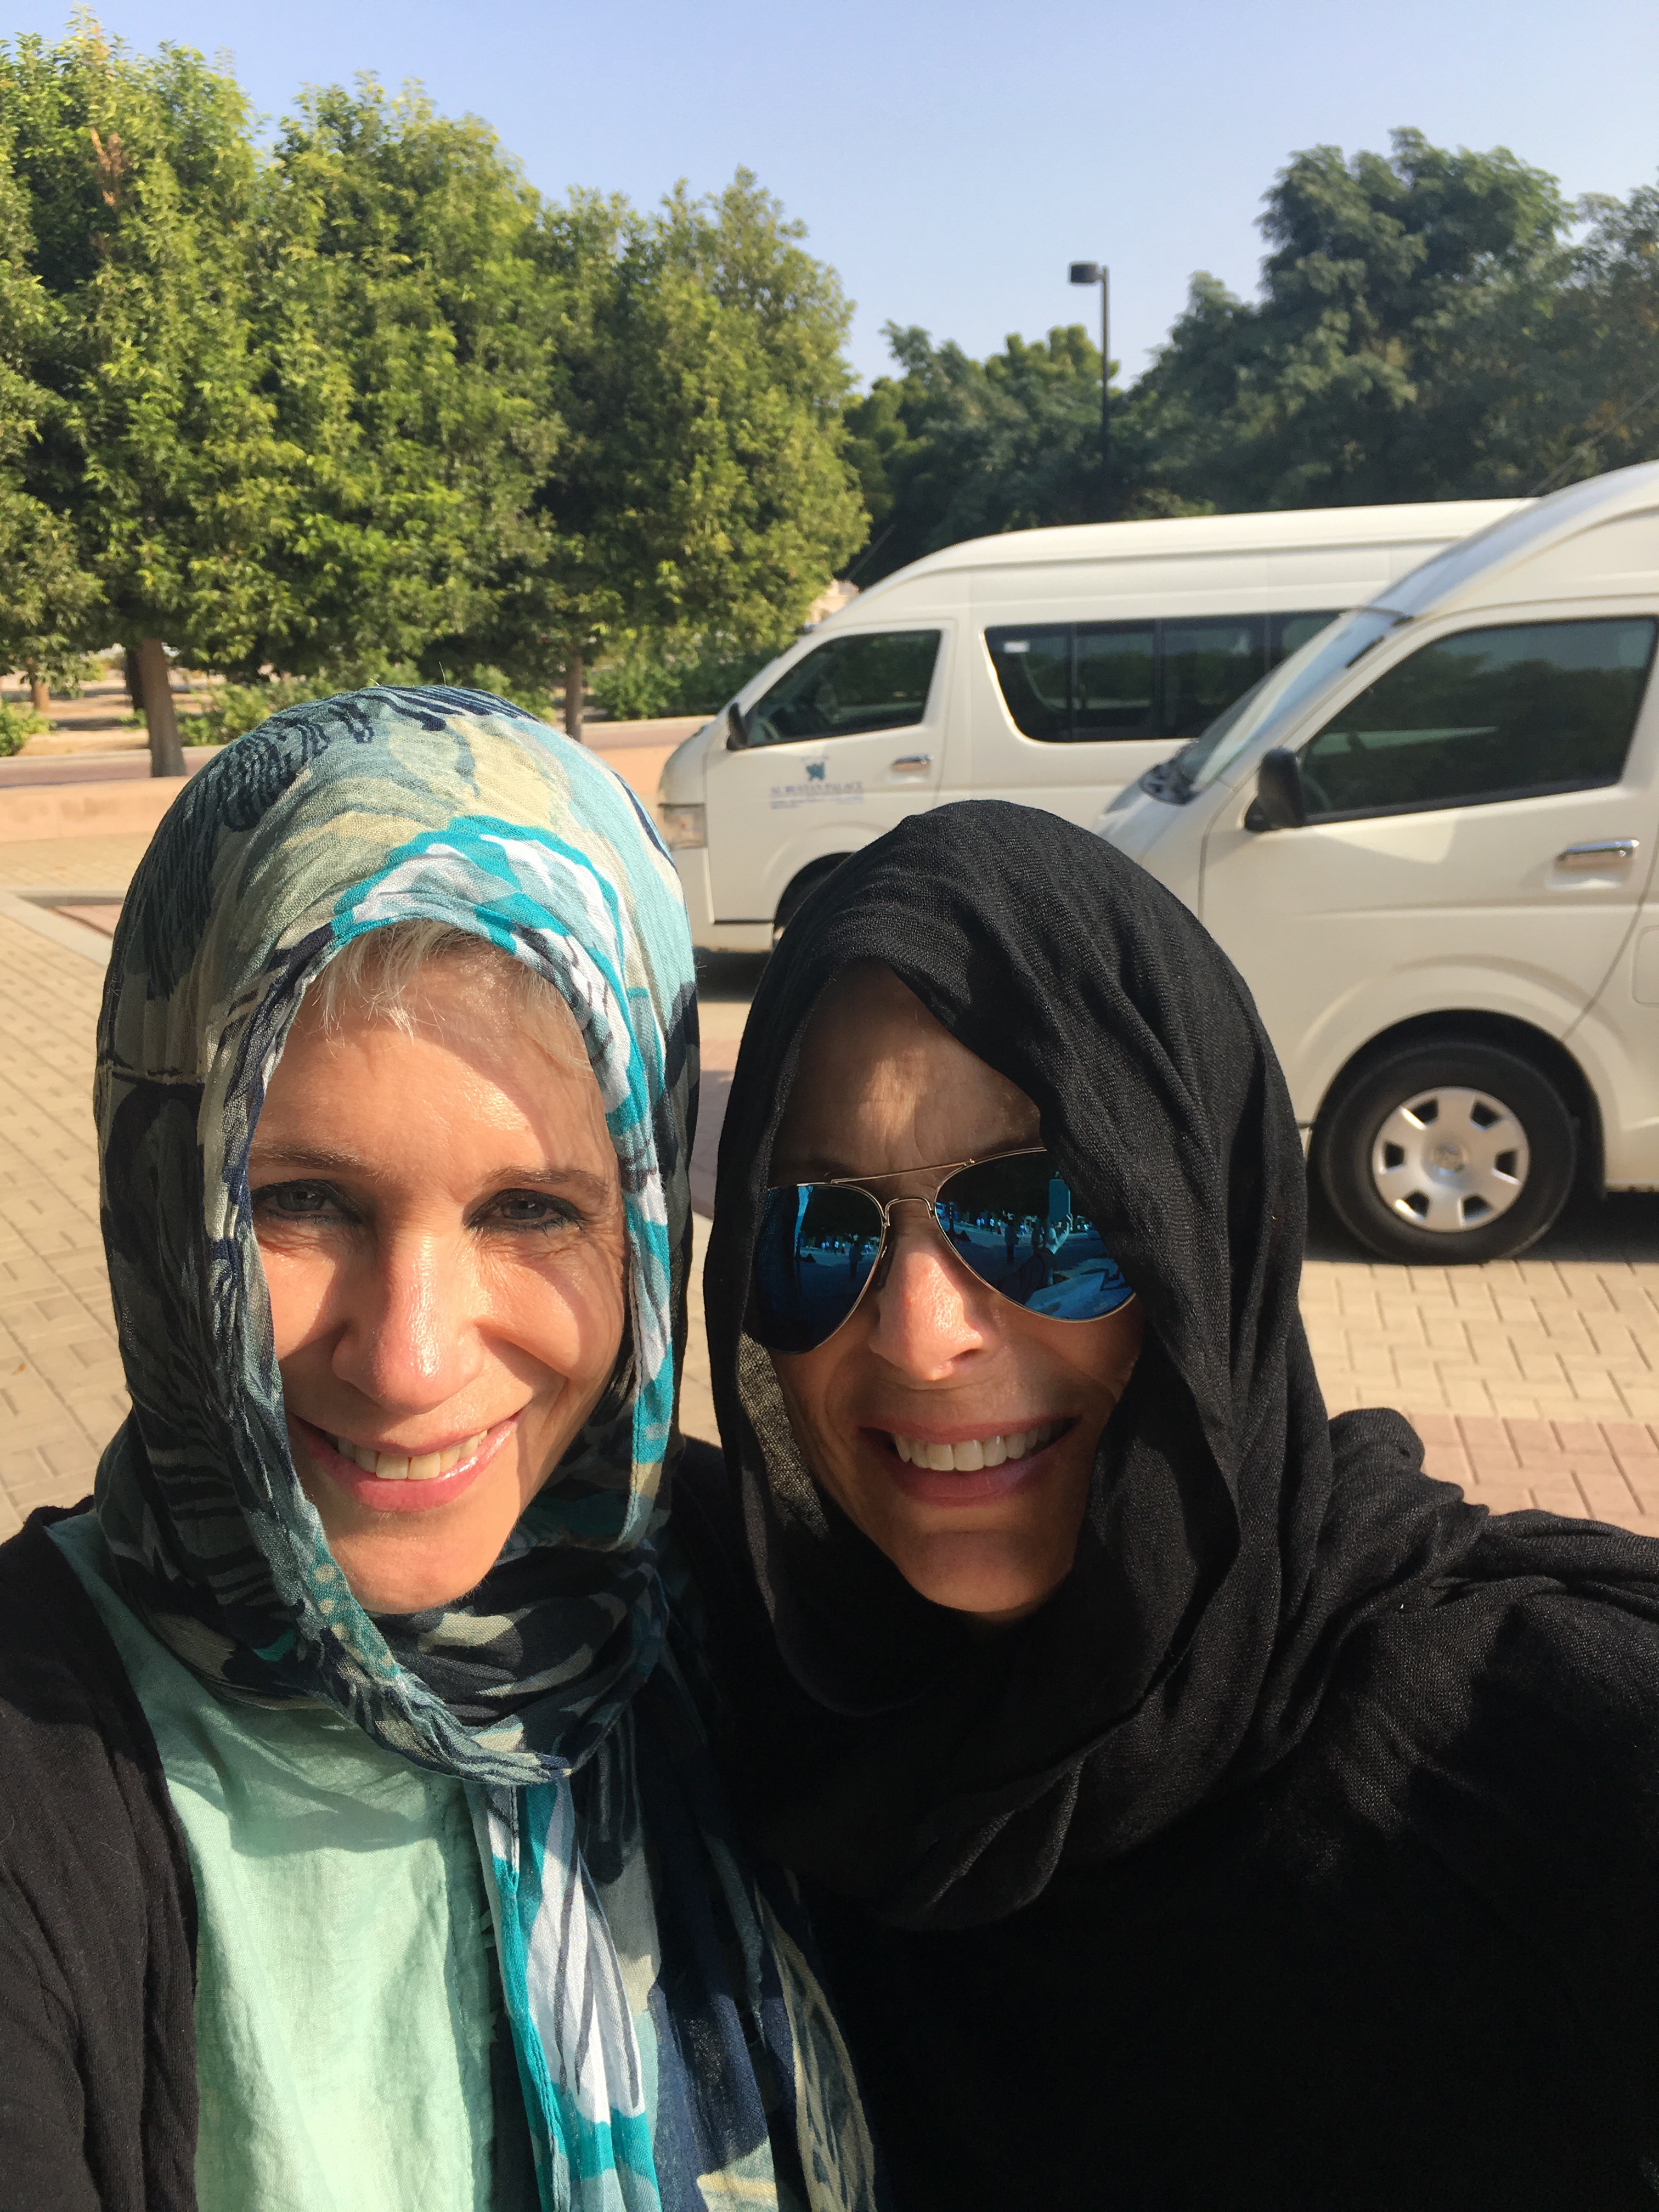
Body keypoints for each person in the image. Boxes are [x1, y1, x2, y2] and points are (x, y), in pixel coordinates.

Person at [689, 798, 1659, 2211]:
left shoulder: (1555, 1773)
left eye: (1039, 1214)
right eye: (818, 1229)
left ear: (1206, 1224)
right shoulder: (777, 1704)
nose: (917, 1333)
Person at [0, 686, 881, 2212]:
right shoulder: (38, 1760)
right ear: (163, 1191)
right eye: (301, 1202)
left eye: (530, 1210)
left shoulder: (776, 1615)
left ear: (647, 1222)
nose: (409, 1361)